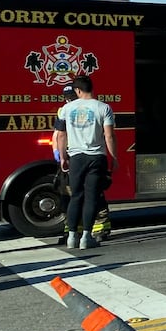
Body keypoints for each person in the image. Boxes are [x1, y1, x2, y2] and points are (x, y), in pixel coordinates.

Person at [57, 75, 118, 250]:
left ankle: (71, 237)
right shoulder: (104, 108)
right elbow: (109, 136)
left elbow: (61, 135)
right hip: (96, 157)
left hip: (76, 157)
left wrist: (62, 157)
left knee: (76, 196)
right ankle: (86, 237)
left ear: (77, 90)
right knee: (91, 197)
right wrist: (113, 157)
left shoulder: (66, 109)